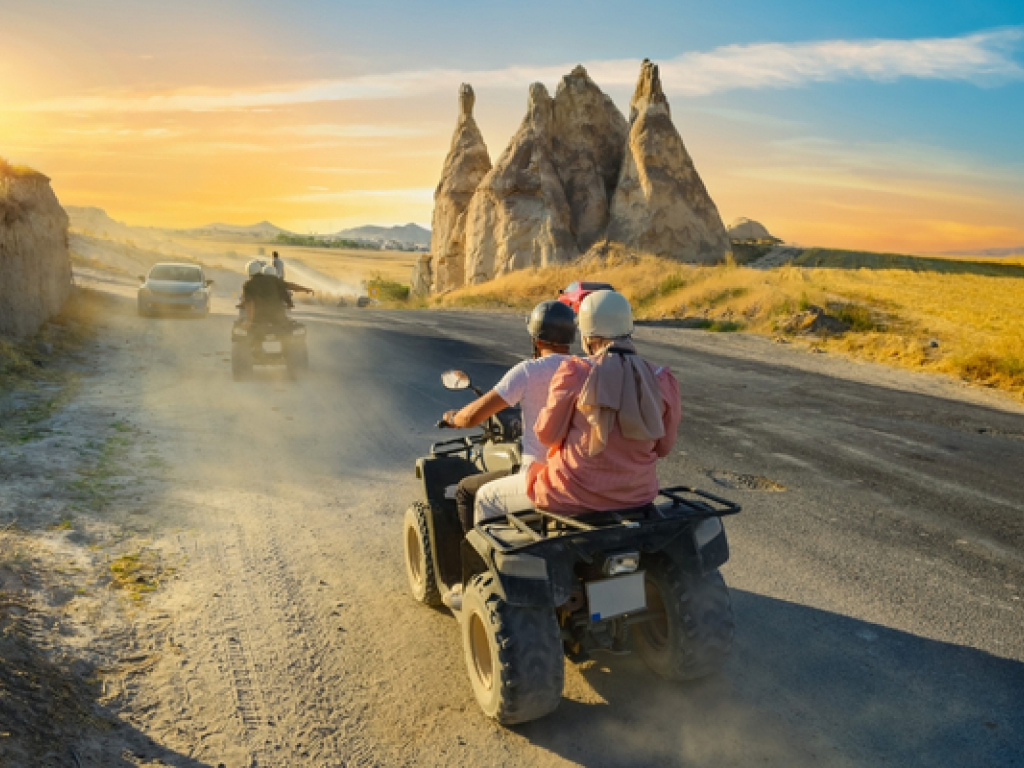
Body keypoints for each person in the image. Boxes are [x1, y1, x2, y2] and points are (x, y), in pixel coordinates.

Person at [474, 290, 681, 522]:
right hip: (637, 495)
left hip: (570, 493)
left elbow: (547, 434)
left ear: (586, 336)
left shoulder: (576, 372)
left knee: (485, 497)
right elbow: (663, 448)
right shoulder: (661, 378)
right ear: (629, 330)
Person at [441, 300, 576, 534]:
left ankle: (477, 566)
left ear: (536, 338)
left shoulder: (528, 371)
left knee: (466, 490)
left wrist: (453, 418)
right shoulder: (586, 368)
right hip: (578, 475)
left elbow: (472, 416)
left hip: (540, 478)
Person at [241, 260, 291, 324]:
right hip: (276, 312)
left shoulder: (249, 284)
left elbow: (249, 301)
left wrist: (249, 320)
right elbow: (285, 293)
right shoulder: (275, 282)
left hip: (259, 314)